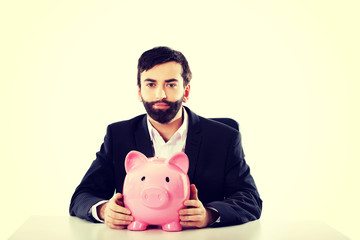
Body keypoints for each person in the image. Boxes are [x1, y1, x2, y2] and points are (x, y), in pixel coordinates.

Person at [69, 46, 262, 229]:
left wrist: (209, 215)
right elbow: (82, 196)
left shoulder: (224, 137)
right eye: (151, 84)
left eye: (170, 84)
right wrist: (104, 210)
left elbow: (250, 198)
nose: (160, 94)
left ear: (186, 91)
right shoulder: (118, 135)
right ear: (139, 92)